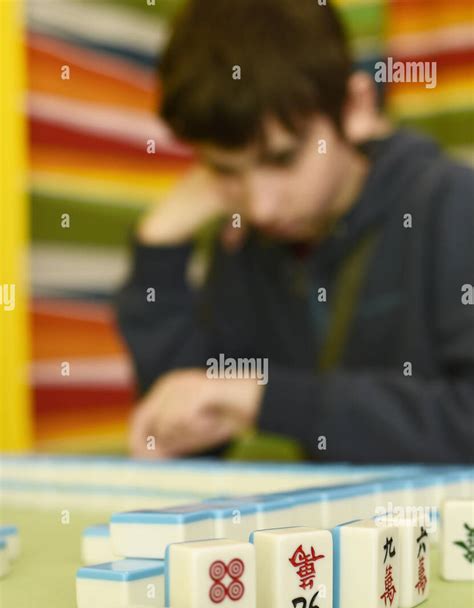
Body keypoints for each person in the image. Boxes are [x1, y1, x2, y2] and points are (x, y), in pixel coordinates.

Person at [116, 0, 474, 463]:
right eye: (225, 171)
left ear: (355, 106)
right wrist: (158, 247)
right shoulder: (247, 238)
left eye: (282, 159)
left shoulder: (451, 204)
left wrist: (269, 398)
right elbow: (190, 433)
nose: (262, 205)